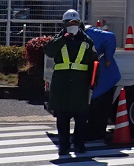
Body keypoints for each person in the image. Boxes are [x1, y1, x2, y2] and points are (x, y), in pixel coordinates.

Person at [45, 9, 98, 156]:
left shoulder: (87, 41)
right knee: (62, 120)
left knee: (81, 119)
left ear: (79, 23)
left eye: (75, 22)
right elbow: (48, 51)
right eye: (69, 22)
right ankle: (64, 146)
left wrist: (92, 83)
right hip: (62, 86)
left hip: (80, 87)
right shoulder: (59, 39)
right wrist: (63, 39)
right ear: (64, 24)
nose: (72, 25)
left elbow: (94, 63)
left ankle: (79, 145)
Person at [85, 20, 121, 143]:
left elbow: (110, 37)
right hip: (100, 78)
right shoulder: (76, 37)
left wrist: (108, 57)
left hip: (105, 77)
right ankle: (93, 132)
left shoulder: (89, 33)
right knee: (96, 106)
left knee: (100, 106)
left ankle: (97, 134)